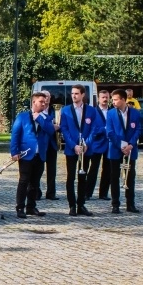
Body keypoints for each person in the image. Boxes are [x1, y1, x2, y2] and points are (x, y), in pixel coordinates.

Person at [10, 92, 54, 219]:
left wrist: (39, 118)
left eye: (45, 102)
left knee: (35, 183)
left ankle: (31, 207)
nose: (44, 104)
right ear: (34, 102)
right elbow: (15, 135)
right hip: (26, 154)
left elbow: (50, 130)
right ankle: (20, 207)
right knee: (24, 181)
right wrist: (14, 152)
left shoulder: (46, 117)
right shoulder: (22, 116)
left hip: (40, 155)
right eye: (41, 101)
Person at [59, 84, 97, 216]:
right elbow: (64, 129)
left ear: (82, 95)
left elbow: (94, 129)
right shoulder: (65, 110)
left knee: (82, 177)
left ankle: (81, 204)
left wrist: (87, 143)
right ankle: (72, 205)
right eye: (72, 93)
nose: (74, 96)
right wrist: (73, 145)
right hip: (72, 149)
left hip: (86, 150)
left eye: (76, 93)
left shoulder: (91, 111)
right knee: (70, 178)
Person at [105, 89, 141, 214]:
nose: (113, 102)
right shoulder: (110, 113)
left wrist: (131, 144)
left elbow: (138, 130)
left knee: (130, 178)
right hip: (115, 149)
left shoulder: (135, 113)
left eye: (115, 99)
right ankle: (115, 204)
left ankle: (130, 204)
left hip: (130, 150)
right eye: (112, 100)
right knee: (114, 177)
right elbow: (109, 131)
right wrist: (120, 145)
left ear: (123, 100)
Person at [86, 89, 111, 201]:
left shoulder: (112, 111)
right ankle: (88, 193)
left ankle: (103, 193)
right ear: (98, 99)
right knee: (93, 169)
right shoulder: (93, 112)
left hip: (110, 145)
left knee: (108, 169)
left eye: (107, 97)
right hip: (96, 144)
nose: (105, 99)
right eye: (103, 97)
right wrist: (105, 130)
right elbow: (93, 129)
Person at [38, 90, 59, 200]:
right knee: (38, 170)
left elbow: (59, 124)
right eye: (44, 96)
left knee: (52, 170)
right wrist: (51, 125)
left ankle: (51, 193)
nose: (46, 99)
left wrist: (57, 125)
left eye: (48, 97)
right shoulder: (37, 111)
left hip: (52, 144)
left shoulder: (54, 110)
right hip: (41, 144)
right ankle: (36, 192)